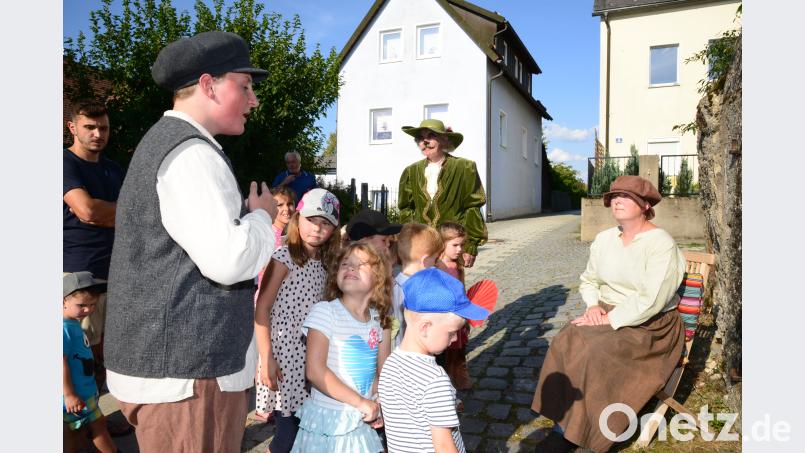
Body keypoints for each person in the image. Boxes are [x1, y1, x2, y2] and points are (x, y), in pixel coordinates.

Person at [103, 31, 279, 453]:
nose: (253, 99)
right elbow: (230, 259)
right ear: (208, 85)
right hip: (188, 380)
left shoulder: (171, 145)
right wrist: (262, 218)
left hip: (180, 373)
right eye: (246, 85)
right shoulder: (191, 154)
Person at [531, 175, 686, 453]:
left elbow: (652, 300)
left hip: (651, 325)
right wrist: (593, 306)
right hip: (607, 312)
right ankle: (564, 426)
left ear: (645, 205)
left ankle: (591, 433)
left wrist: (609, 319)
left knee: (596, 353)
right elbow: (589, 280)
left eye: (626, 197)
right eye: (614, 196)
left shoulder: (660, 243)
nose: (617, 201)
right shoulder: (604, 239)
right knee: (565, 340)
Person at [255, 188, 341, 453]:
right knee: (288, 428)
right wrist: (266, 357)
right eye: (311, 220)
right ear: (297, 219)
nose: (317, 228)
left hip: (313, 354)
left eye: (325, 223)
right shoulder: (283, 258)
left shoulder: (328, 264)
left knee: (308, 424)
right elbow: (262, 308)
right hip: (285, 355)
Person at [290, 243, 393, 452]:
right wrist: (360, 402)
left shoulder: (380, 321)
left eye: (360, 264)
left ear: (378, 278)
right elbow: (315, 371)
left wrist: (379, 401)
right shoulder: (325, 312)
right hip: (330, 421)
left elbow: (381, 374)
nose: (350, 268)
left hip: (361, 421)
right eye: (345, 264)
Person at [379, 268, 489, 453]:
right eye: (451, 332)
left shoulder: (390, 364)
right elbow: (444, 446)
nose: (454, 339)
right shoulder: (435, 379)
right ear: (425, 328)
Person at [63, 100, 124, 392]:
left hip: (117, 271)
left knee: (111, 354)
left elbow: (143, 212)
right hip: (78, 274)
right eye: (90, 127)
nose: (98, 133)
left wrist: (107, 213)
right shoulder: (63, 164)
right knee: (80, 356)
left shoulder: (114, 170)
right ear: (72, 127)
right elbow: (87, 210)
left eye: (103, 127)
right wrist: (118, 213)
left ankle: (101, 421)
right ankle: (79, 427)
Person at [397, 119, 487, 268]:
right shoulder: (411, 171)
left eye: (431, 135)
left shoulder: (464, 167)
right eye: (420, 138)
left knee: (450, 286)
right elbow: (406, 210)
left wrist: (470, 245)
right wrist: (406, 241)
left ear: (444, 140)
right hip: (421, 247)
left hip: (451, 245)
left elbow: (473, 206)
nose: (425, 141)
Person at [254, 185, 297, 423]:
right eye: (279, 205)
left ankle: (275, 400)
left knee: (279, 353)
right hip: (267, 299)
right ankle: (264, 405)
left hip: (286, 301)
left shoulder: (291, 234)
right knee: (266, 352)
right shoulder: (267, 233)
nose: (286, 209)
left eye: (289, 204)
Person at [63, 272, 117, 453]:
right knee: (99, 426)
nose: (88, 310)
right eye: (82, 305)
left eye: (92, 305)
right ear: (63, 301)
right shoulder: (63, 329)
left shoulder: (72, 323)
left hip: (84, 391)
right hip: (76, 395)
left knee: (75, 431)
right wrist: (69, 394)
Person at [392, 223, 444, 349]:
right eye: (435, 259)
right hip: (414, 351)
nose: (436, 264)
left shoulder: (392, 285)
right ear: (425, 260)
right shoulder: (420, 291)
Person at [435, 222, 472, 390]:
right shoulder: (437, 266)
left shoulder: (457, 265)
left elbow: (460, 289)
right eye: (455, 245)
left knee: (457, 351)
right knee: (441, 355)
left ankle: (457, 376)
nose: (459, 249)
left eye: (461, 245)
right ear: (442, 244)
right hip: (442, 317)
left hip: (457, 315)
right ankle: (444, 387)